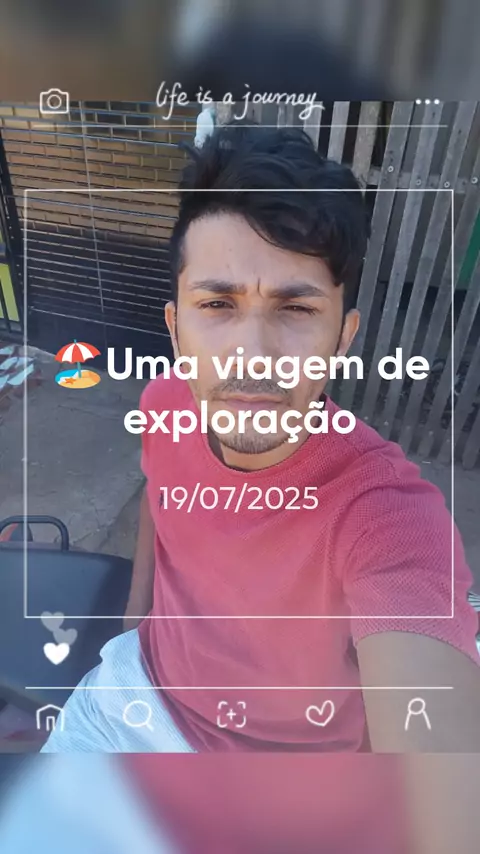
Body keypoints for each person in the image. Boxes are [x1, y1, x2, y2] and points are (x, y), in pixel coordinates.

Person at [42, 123, 480, 754]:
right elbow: (159, 506)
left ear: (343, 338)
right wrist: (131, 632)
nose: (252, 354)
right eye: (217, 305)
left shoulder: (387, 517)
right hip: (125, 703)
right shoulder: (165, 403)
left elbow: (436, 754)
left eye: (296, 309)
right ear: (176, 329)